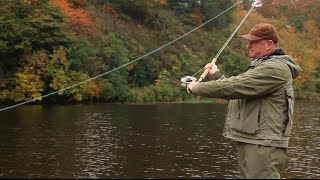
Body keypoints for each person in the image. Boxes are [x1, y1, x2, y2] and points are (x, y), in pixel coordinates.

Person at [186, 23, 302, 179]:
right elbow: (239, 95)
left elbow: (235, 86)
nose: (248, 46)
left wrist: (197, 87)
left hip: (264, 143)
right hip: (252, 139)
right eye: (248, 42)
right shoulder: (262, 66)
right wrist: (216, 75)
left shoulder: (276, 68)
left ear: (269, 44)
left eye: (253, 42)